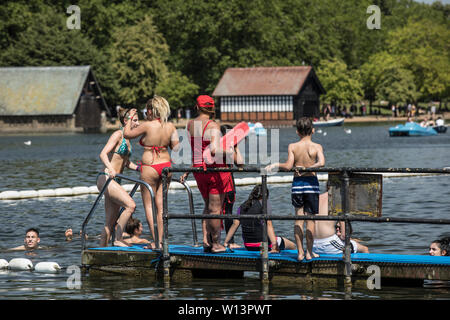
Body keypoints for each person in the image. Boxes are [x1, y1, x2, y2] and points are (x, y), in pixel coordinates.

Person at [180, 95, 234, 253]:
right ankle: (216, 243)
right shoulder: (213, 126)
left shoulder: (190, 124)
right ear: (211, 108)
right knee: (215, 209)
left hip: (198, 170)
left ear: (197, 107)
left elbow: (198, 151)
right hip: (214, 171)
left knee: (208, 207)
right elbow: (214, 150)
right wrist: (229, 150)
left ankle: (206, 241)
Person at [265, 117, 325, 261]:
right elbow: (322, 163)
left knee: (298, 219)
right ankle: (309, 252)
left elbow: (288, 166)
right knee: (310, 220)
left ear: (297, 132)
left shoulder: (293, 146)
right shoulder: (317, 147)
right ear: (313, 130)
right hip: (311, 185)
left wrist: (275, 164)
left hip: (298, 185)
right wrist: (309, 168)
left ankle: (300, 253)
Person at [123, 96, 179, 248]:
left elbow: (127, 134)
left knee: (149, 206)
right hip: (167, 166)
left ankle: (156, 242)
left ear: (150, 110)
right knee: (161, 207)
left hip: (150, 167)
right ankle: (162, 240)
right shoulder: (171, 127)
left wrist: (129, 119)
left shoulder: (147, 125)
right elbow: (176, 148)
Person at [97, 107, 140, 247]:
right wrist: (110, 169)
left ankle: (101, 252)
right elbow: (103, 154)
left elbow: (126, 163)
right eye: (135, 120)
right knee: (130, 205)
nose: (138, 124)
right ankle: (118, 238)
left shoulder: (127, 139)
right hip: (106, 177)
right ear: (126, 120)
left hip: (115, 181)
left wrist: (140, 168)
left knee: (110, 222)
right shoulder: (118, 134)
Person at [223, 185, 296, 252]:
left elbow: (235, 224)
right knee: (292, 245)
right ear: (266, 196)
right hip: (264, 245)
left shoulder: (242, 206)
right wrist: (274, 245)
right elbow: (269, 225)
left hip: (249, 246)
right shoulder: (265, 204)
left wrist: (226, 242)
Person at [220, 124, 244, 249]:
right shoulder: (225, 148)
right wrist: (236, 148)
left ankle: (212, 240)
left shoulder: (215, 146)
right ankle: (230, 242)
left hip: (216, 182)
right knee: (227, 212)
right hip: (226, 183)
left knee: (214, 211)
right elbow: (240, 164)